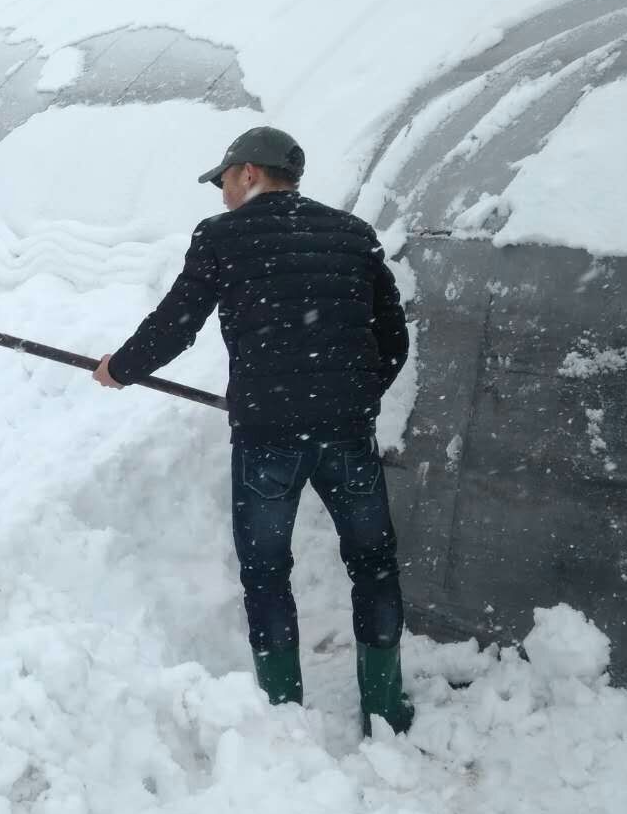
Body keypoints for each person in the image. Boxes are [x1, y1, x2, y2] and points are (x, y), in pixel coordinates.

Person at [92, 125, 413, 736]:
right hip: (345, 434)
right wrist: (357, 396)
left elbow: (178, 321)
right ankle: (384, 706)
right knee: (373, 565)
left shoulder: (223, 237)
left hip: (268, 436)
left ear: (248, 173)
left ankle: (282, 711)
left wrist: (122, 367)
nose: (220, 195)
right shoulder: (353, 235)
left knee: (266, 571)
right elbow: (393, 338)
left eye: (223, 181)